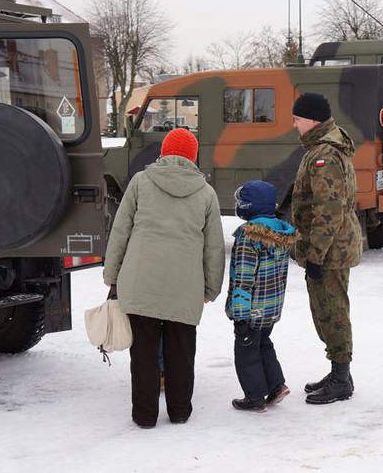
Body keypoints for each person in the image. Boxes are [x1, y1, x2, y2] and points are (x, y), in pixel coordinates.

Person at [103, 128, 225, 428]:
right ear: (192, 157)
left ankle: (144, 416)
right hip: (186, 286)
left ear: (164, 152)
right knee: (181, 350)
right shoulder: (206, 193)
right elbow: (213, 246)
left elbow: (121, 231)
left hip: (140, 280)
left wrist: (112, 273)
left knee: (143, 352)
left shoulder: (140, 183)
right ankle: (180, 411)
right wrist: (211, 286)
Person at [291, 92, 363, 405]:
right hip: (327, 247)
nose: (293, 124)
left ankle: (341, 377)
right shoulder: (320, 149)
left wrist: (316, 254)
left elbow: (328, 208)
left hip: (330, 250)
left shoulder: (326, 154)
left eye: (297, 118)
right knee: (324, 309)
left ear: (312, 119)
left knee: (333, 311)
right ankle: (337, 370)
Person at [226, 180, 299, 412]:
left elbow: (244, 279)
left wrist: (240, 315)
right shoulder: (279, 233)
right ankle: (277, 385)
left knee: (246, 351)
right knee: (263, 344)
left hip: (251, 309)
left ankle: (254, 397)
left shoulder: (249, 237)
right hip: (271, 308)